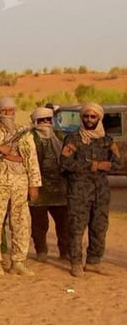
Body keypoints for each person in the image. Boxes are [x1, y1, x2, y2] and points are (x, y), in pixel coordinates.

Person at [0, 97, 41, 277]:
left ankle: (18, 262)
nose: (8, 114)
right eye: (4, 111)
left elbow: (31, 158)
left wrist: (34, 184)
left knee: (21, 223)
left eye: (11, 111)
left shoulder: (23, 132)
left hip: (20, 182)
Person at [61, 102, 121, 277]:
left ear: (99, 118)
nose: (89, 119)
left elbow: (118, 163)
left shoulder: (107, 141)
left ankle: (93, 262)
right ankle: (76, 263)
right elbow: (65, 162)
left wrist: (108, 165)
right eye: (86, 116)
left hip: (101, 192)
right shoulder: (73, 139)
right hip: (79, 192)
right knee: (76, 228)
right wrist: (92, 165)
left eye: (93, 116)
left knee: (99, 228)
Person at [28, 106, 70, 263]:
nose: (46, 123)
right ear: (35, 122)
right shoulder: (30, 138)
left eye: (48, 119)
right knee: (40, 224)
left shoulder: (59, 136)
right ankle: (41, 250)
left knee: (64, 223)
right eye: (42, 120)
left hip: (60, 188)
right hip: (38, 188)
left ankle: (65, 251)